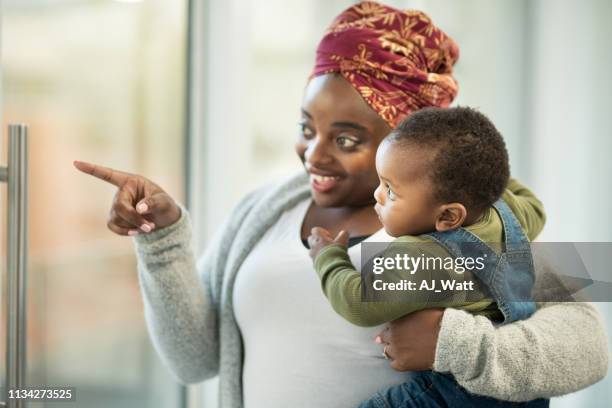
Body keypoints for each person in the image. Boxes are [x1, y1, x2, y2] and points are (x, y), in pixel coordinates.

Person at [73, 2, 608, 408]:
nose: (314, 154)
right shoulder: (266, 208)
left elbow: (587, 347)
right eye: (307, 128)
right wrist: (163, 237)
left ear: (408, 140)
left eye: (347, 138)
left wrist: (456, 344)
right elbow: (194, 361)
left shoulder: (476, 223)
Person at [308, 106, 548, 407]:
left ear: (448, 216)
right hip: (525, 390)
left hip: (460, 394)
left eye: (390, 191)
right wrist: (482, 172)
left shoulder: (420, 258)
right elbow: (536, 207)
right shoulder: (508, 213)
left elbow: (357, 303)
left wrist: (328, 257)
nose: (377, 195)